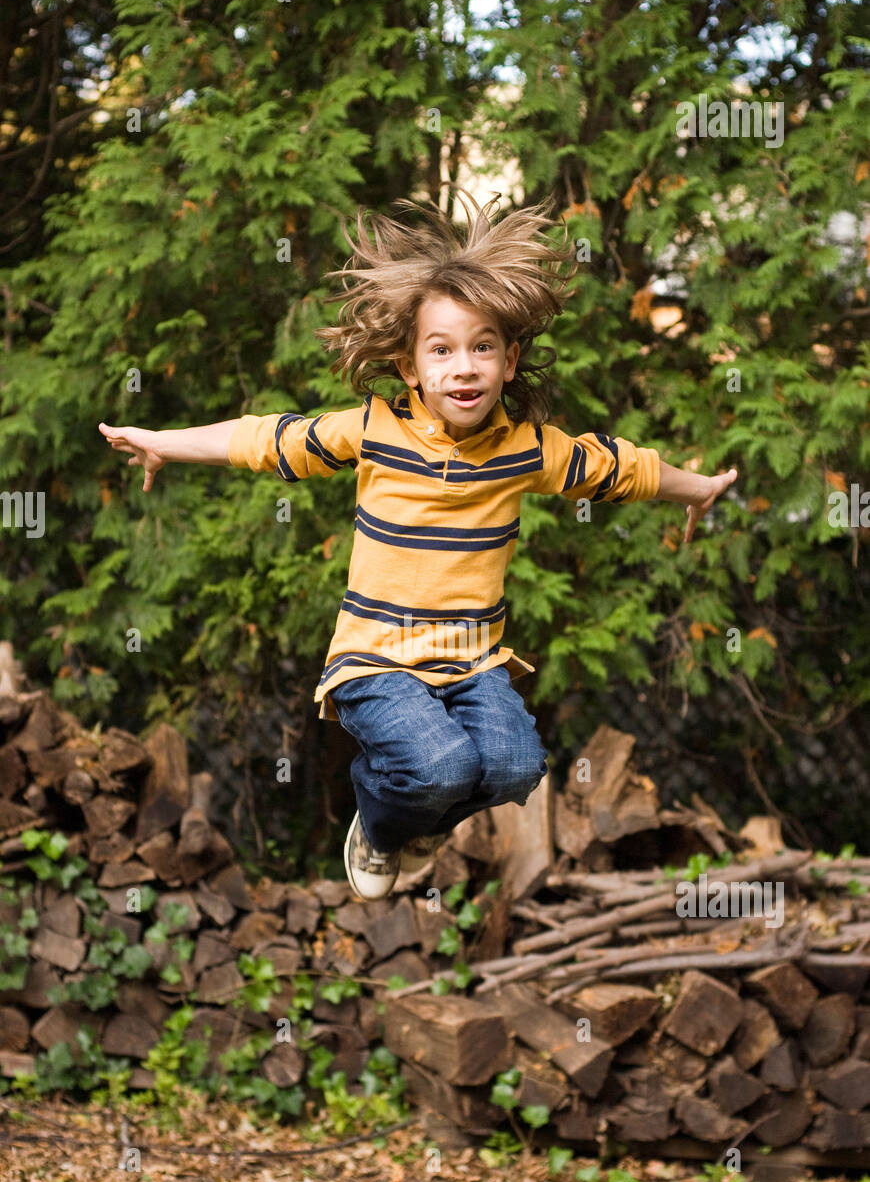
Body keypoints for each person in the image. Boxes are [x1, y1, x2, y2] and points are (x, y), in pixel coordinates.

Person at [99, 187, 737, 902]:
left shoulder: (526, 450)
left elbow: (619, 468)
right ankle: (380, 820)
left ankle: (416, 817)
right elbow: (260, 438)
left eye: (482, 348)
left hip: (472, 659)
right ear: (411, 367)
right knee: (436, 769)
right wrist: (161, 442)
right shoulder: (374, 430)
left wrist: (695, 487)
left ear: (508, 358)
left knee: (516, 768)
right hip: (376, 656)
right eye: (442, 351)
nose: (463, 368)